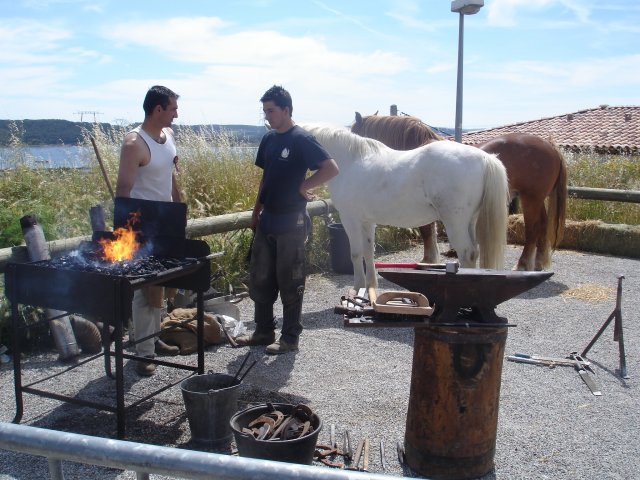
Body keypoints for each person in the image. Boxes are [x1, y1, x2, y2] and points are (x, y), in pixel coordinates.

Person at [236, 85, 339, 354]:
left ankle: (290, 338)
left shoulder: (301, 138)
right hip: (268, 218)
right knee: (260, 277)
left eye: (271, 111)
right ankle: (263, 331)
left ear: (286, 110)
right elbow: (265, 178)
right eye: (265, 111)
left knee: (290, 279)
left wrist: (304, 186)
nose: (267, 116)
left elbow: (330, 167)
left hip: (291, 221)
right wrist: (256, 211)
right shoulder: (269, 140)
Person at [115, 85, 182, 376]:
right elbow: (123, 190)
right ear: (158, 110)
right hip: (141, 225)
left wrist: (179, 206)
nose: (176, 114)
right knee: (144, 290)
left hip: (166, 220)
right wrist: (124, 234)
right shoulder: (134, 144)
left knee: (164, 284)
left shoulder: (169, 138)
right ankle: (144, 353)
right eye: (172, 108)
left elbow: (170, 174)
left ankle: (153, 339)